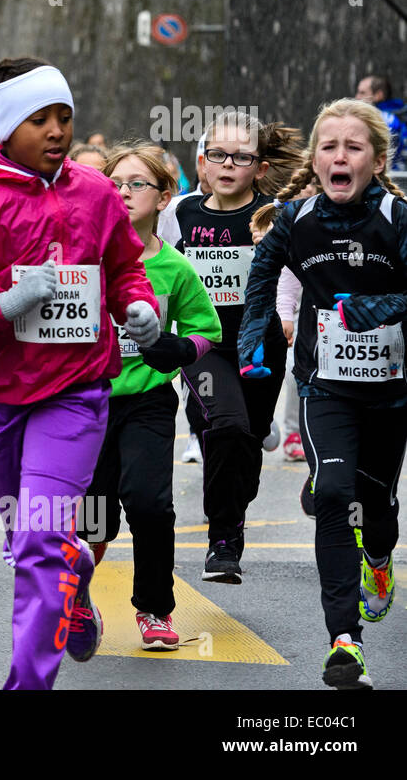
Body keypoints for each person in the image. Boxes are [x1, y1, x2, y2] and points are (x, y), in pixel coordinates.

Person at [0, 58, 160, 690]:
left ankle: (28, 684)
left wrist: (139, 307)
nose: (56, 130)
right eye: (38, 119)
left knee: (38, 540)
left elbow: (126, 265)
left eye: (64, 117)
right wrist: (3, 303)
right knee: (33, 542)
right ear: (6, 128)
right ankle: (71, 580)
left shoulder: (96, 193)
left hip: (75, 393)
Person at [240, 98, 407, 689]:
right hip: (322, 386)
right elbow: (262, 282)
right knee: (333, 492)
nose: (340, 156)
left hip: (390, 395)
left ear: (377, 160)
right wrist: (252, 348)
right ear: (315, 158)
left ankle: (380, 562)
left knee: (376, 507)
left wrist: (380, 306)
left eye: (353, 147)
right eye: (329, 146)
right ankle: (344, 641)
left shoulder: (396, 218)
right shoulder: (296, 220)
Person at [80, 142, 221, 650]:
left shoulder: (175, 268)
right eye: (114, 184)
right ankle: (75, 593)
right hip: (84, 402)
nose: (122, 193)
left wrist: (177, 347)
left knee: (150, 503)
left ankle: (155, 610)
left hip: (147, 403)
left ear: (164, 198)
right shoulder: (81, 259)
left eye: (136, 184)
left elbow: (208, 331)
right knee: (92, 516)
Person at [174, 116, 302, 583]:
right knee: (225, 425)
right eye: (217, 155)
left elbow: (292, 272)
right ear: (202, 163)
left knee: (247, 437)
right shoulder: (183, 213)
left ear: (260, 168)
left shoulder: (276, 214)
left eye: (241, 157)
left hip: (260, 343)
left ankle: (235, 507)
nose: (228, 164)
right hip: (204, 346)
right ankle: (223, 539)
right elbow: (163, 266)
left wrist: (286, 314)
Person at [355, 75, 405, 169]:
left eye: (362, 93)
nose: (357, 97)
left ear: (378, 95)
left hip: (389, 175)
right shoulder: (396, 114)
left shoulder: (385, 120)